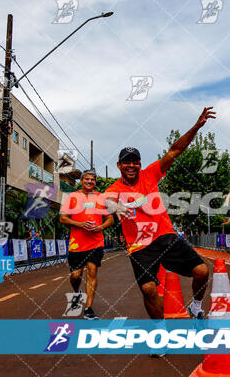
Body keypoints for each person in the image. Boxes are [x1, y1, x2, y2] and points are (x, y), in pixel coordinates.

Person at [103, 107, 214, 329]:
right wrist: (116, 207)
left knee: (202, 271)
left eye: (135, 161)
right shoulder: (113, 188)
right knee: (148, 289)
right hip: (139, 246)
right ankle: (159, 330)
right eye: (127, 161)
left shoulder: (150, 174)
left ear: (140, 164)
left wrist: (197, 126)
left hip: (165, 236)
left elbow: (175, 150)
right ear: (119, 165)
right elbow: (107, 202)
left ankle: (196, 307)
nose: (131, 165)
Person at [60, 169, 114, 320]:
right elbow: (63, 218)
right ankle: (77, 292)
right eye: (87, 179)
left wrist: (101, 227)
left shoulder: (101, 198)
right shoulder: (72, 196)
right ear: (82, 181)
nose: (90, 182)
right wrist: (80, 224)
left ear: (95, 182)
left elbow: (110, 219)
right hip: (77, 244)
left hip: (96, 242)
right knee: (76, 275)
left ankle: (89, 308)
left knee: (92, 271)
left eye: (92, 180)